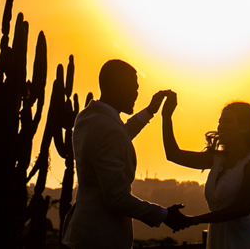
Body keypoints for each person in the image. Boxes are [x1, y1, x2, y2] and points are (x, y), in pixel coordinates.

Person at [62, 60, 186, 249]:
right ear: (121, 88)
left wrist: (150, 111)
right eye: (135, 88)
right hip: (100, 239)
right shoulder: (108, 128)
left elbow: (119, 137)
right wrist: (165, 215)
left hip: (80, 232)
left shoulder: (88, 116)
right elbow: (117, 199)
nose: (137, 93)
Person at [161, 95, 250, 249]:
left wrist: (194, 220)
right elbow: (173, 155)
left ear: (244, 128)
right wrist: (166, 117)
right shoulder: (216, 159)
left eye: (227, 122)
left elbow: (242, 208)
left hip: (243, 240)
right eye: (220, 122)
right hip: (217, 239)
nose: (221, 127)